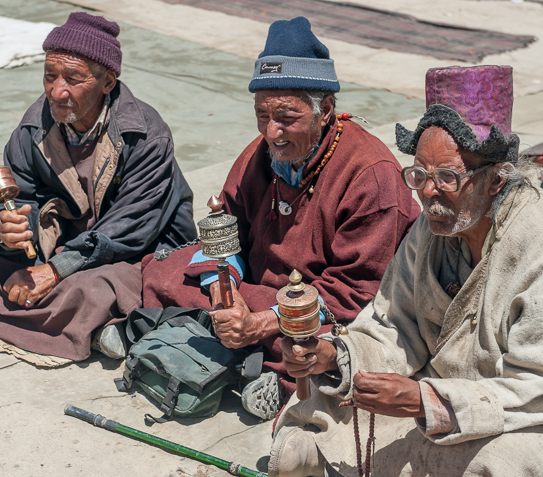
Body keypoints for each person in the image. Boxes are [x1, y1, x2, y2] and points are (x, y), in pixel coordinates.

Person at [272, 65, 543, 477]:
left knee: (503, 461)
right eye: (419, 175)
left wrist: (423, 402)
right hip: (445, 383)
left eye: (447, 177)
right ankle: (325, 450)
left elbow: (542, 385)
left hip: (542, 409)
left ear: (497, 180)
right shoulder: (431, 230)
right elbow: (391, 323)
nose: (428, 192)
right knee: (329, 388)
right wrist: (334, 356)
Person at [141, 17, 419, 420]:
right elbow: (226, 233)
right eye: (262, 116)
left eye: (287, 117)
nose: (272, 132)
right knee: (166, 270)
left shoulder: (370, 173)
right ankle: (243, 349)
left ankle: (268, 367)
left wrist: (262, 322)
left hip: (322, 304)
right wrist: (226, 289)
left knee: (325, 342)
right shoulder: (262, 153)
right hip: (255, 290)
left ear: (324, 110)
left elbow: (357, 291)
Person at [0, 12, 196, 361]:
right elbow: (20, 196)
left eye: (73, 79)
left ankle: (57, 312)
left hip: (130, 251)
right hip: (62, 244)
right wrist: (8, 229)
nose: (57, 90)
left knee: (97, 287)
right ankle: (88, 327)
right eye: (49, 76)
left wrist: (55, 270)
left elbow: (130, 228)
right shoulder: (33, 128)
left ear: (108, 82)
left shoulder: (145, 135)